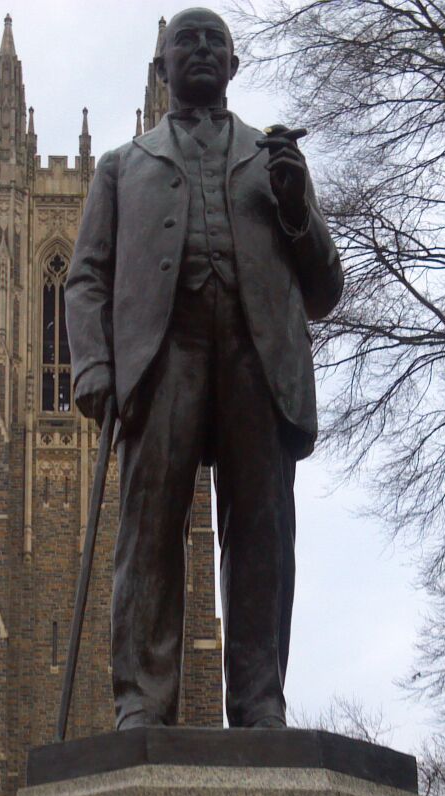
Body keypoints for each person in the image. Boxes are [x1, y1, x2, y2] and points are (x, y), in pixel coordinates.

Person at [66, 7, 342, 730]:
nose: (199, 50)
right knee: (149, 527)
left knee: (261, 532)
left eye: (214, 42)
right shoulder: (122, 166)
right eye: (184, 42)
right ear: (161, 68)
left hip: (258, 356)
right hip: (165, 355)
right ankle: (142, 701)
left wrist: (296, 210)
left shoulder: (273, 159)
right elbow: (86, 276)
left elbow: (325, 291)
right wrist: (93, 364)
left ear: (234, 65)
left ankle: (259, 701)